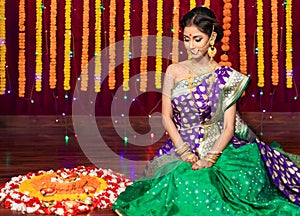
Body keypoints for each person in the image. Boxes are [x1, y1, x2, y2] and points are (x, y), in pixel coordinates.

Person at [112, 7, 300, 215]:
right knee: (174, 182)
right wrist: (183, 151)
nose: (191, 46)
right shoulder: (173, 71)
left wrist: (209, 159)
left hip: (219, 147)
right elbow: (166, 116)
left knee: (217, 185)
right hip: (180, 146)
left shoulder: (225, 77)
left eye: (197, 39)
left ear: (211, 38)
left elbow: (229, 126)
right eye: (186, 39)